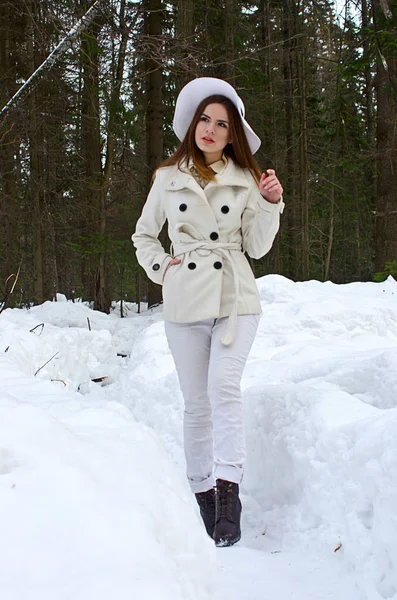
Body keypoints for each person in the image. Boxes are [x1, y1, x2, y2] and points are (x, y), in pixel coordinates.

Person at [132, 77, 284, 547]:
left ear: (234, 132)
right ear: (192, 124)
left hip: (235, 295)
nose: (212, 129)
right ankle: (200, 493)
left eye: (222, 123)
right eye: (205, 119)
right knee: (197, 402)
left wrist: (271, 203)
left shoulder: (247, 179)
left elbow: (257, 248)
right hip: (185, 299)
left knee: (223, 388)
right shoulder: (167, 177)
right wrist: (164, 268)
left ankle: (228, 493)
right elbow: (143, 235)